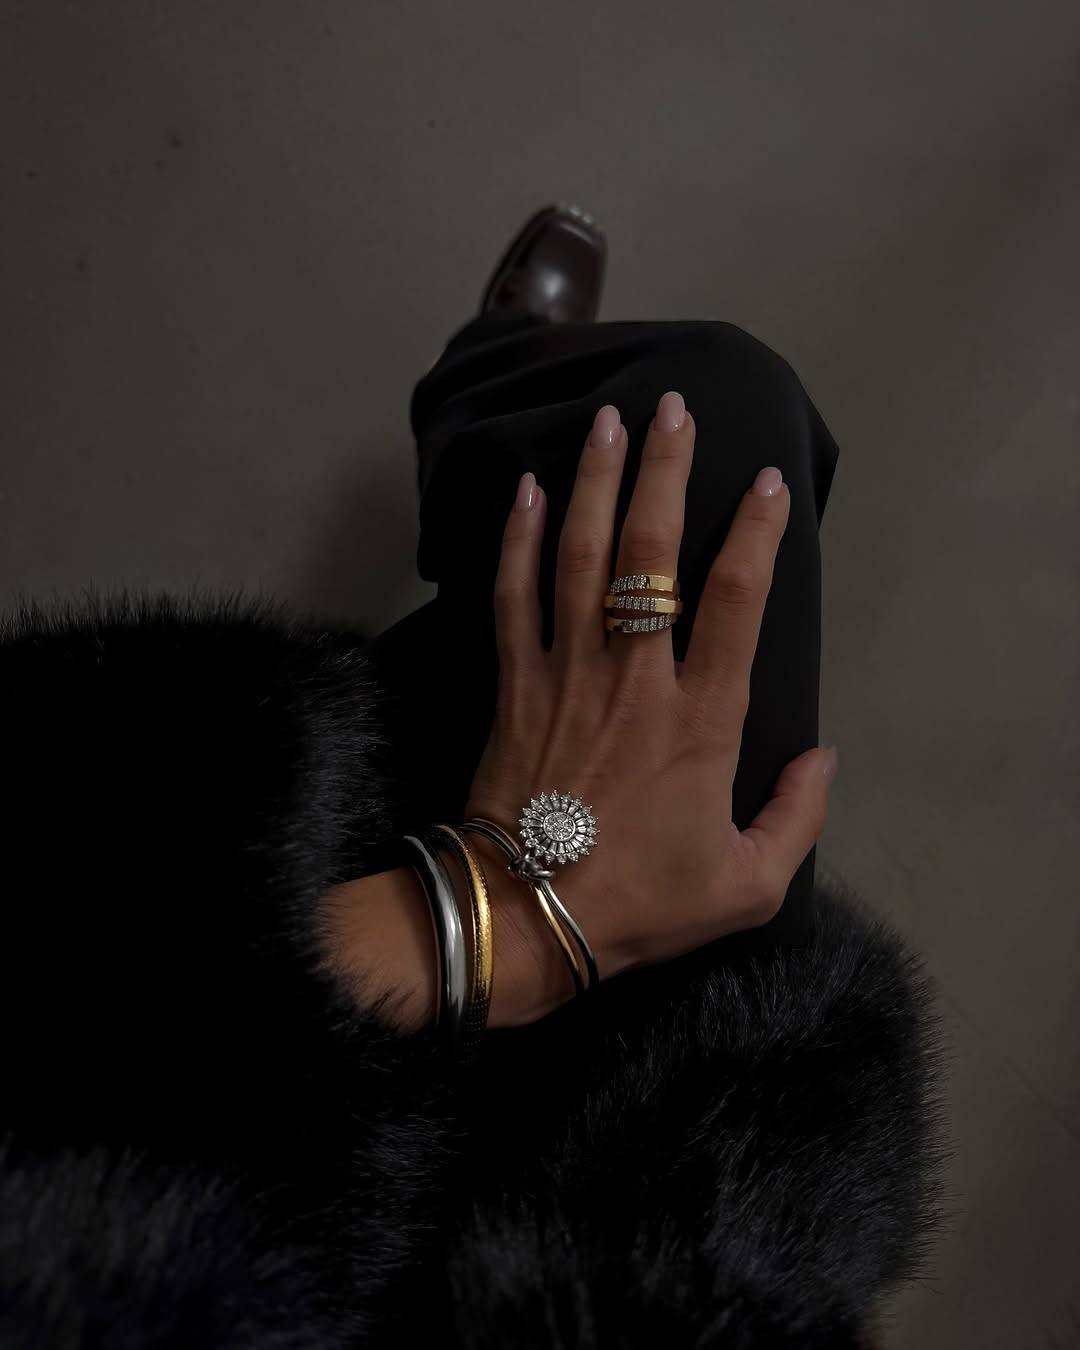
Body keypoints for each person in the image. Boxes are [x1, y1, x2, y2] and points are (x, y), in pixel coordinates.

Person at [0, 205, 940, 1348]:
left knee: (654, 452)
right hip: (585, 1228)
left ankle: (492, 394)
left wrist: (485, 894)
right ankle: (494, 385)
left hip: (134, 1014)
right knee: (712, 417)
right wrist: (502, 914)